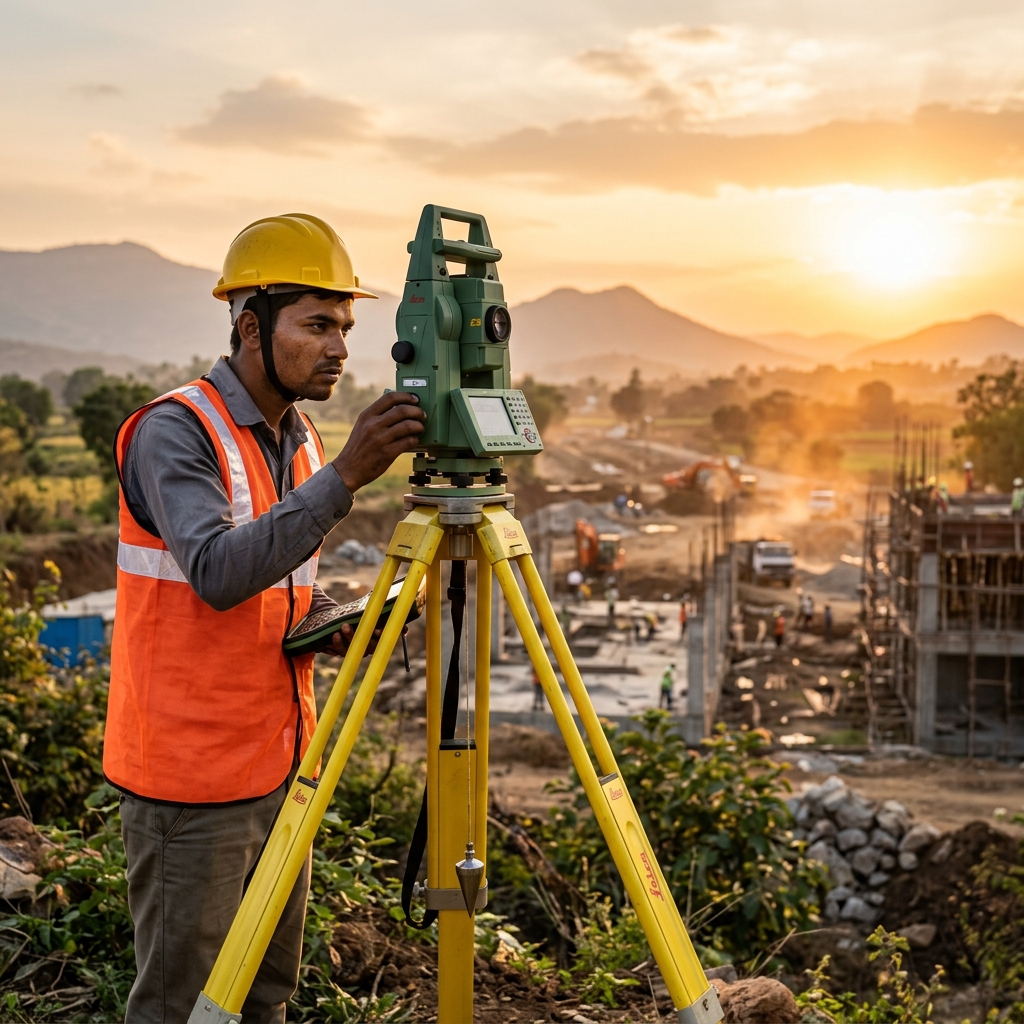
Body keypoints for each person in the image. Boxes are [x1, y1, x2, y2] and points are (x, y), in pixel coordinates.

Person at [104, 214, 427, 1023]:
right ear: (251, 326)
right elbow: (214, 572)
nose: (342, 348)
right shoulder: (175, 430)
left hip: (278, 768)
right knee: (183, 1008)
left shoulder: (302, 438)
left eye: (346, 326)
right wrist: (350, 476)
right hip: (191, 782)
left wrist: (330, 617)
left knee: (263, 998)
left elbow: (275, 586)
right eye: (317, 324)